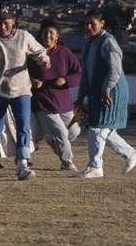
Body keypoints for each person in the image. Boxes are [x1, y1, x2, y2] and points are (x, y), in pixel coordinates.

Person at [0, 4, 50, 181]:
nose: (2, 27)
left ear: (13, 21)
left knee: (23, 126)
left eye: (6, 23)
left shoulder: (23, 37)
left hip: (21, 90)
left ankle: (22, 163)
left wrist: (43, 60)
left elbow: (39, 51)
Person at [73, 9, 136, 179]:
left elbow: (115, 69)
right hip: (97, 92)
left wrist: (106, 89)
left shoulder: (108, 42)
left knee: (97, 127)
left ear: (102, 24)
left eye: (93, 23)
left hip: (111, 92)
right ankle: (131, 154)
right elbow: (86, 73)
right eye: (86, 24)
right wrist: (80, 95)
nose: (89, 27)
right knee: (104, 129)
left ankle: (95, 167)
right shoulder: (89, 44)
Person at [28, 19, 82, 172]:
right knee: (60, 132)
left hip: (64, 102)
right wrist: (31, 81)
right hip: (42, 101)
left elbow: (78, 72)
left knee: (73, 132)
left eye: (52, 33)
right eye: (45, 32)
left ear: (57, 36)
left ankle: (52, 139)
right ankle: (67, 162)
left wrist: (66, 80)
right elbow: (21, 73)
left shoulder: (65, 52)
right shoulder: (33, 54)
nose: (48, 35)